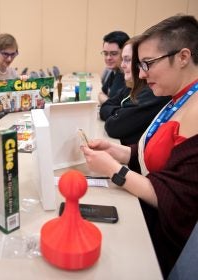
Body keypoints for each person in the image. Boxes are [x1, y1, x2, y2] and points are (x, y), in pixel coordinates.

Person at [81, 15, 198, 278]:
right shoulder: (178, 98)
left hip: (163, 242)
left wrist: (115, 170)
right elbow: (160, 154)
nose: (141, 74)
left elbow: (177, 197)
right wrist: (119, 152)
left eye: (148, 64)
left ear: (182, 57)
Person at [100, 38, 170, 146]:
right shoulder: (131, 86)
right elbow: (105, 106)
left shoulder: (153, 92)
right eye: (122, 59)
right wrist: (120, 112)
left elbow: (114, 126)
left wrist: (119, 114)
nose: (122, 65)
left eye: (127, 60)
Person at [98, 31, 130, 105]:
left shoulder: (128, 76)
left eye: (114, 53)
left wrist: (106, 101)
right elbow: (102, 93)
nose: (108, 58)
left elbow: (115, 107)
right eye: (105, 53)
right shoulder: (114, 71)